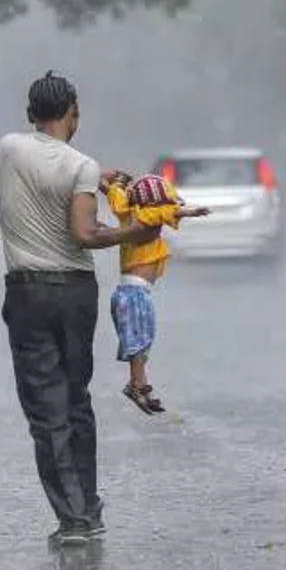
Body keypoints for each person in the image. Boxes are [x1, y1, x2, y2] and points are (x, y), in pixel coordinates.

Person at [0, 71, 160, 547]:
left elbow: (45, 177)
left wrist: (92, 179)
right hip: (74, 293)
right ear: (74, 114)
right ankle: (88, 503)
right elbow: (86, 234)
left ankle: (74, 517)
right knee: (75, 399)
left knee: (46, 409)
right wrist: (136, 232)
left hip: (27, 292)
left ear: (30, 115)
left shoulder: (6, 149)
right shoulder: (82, 166)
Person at [104, 172, 209, 415]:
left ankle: (139, 384)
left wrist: (112, 183)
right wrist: (189, 212)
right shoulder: (146, 216)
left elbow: (116, 197)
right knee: (140, 341)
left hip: (132, 292)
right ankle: (137, 385)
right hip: (134, 293)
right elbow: (166, 212)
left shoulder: (127, 214)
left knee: (141, 341)